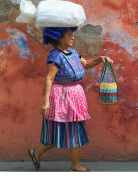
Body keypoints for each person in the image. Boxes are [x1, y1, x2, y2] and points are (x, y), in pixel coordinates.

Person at [27, 27, 113, 172]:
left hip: (75, 96)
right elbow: (49, 78)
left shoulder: (73, 53)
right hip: (62, 97)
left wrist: (100, 59)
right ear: (60, 37)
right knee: (64, 130)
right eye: (69, 35)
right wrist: (45, 102)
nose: (73, 38)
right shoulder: (55, 56)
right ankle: (75, 165)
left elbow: (85, 64)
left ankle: (37, 153)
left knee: (69, 130)